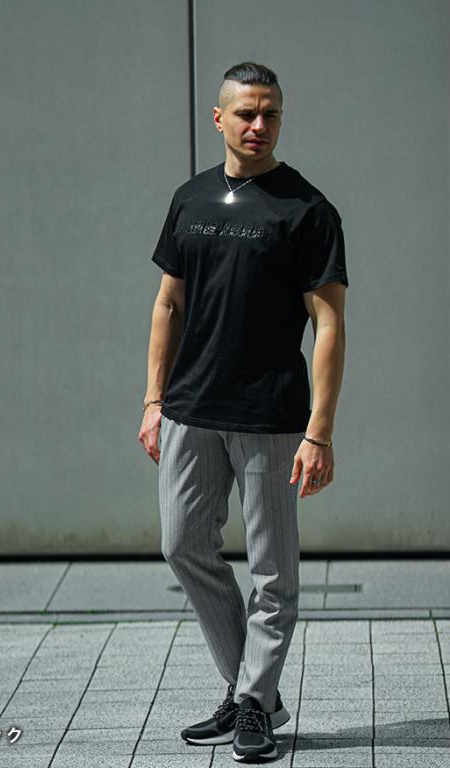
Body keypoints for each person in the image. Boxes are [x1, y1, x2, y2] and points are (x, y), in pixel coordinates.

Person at [138, 61, 348, 763]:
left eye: (271, 113)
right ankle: (252, 690)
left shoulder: (307, 210)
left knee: (272, 571)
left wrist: (319, 431)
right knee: (181, 544)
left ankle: (253, 701)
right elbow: (168, 304)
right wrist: (153, 399)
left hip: (270, 414)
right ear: (219, 118)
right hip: (190, 408)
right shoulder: (190, 199)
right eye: (247, 113)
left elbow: (329, 324)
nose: (259, 125)